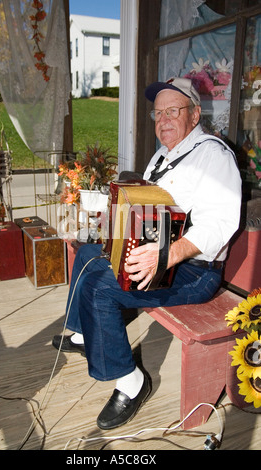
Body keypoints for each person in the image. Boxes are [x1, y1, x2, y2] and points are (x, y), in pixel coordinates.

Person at [53, 78, 242, 430]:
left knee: (100, 286)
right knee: (87, 253)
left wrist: (167, 255)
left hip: (193, 270)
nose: (163, 120)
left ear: (195, 114)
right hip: (158, 253)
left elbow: (221, 223)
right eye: (158, 113)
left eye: (173, 111)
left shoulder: (214, 156)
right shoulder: (162, 155)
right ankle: (84, 334)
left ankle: (131, 381)